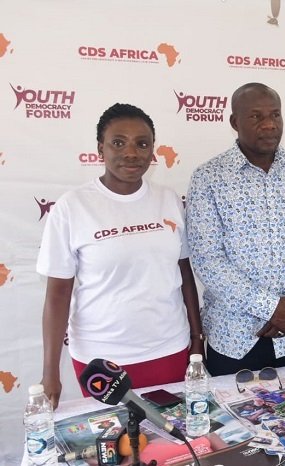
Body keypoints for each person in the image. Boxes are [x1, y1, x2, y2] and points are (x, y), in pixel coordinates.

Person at [36, 103, 203, 408]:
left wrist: (196, 338)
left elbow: (184, 275)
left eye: (142, 143)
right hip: (101, 358)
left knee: (172, 444)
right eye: (118, 142)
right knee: (117, 448)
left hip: (169, 348)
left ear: (152, 151)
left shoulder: (168, 200)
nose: (131, 152)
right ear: (100, 148)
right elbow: (58, 295)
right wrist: (49, 373)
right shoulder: (73, 207)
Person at [186, 82, 285, 376]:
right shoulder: (208, 178)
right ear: (234, 122)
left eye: (275, 115)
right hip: (237, 338)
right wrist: (271, 308)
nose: (269, 125)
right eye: (256, 117)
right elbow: (207, 259)